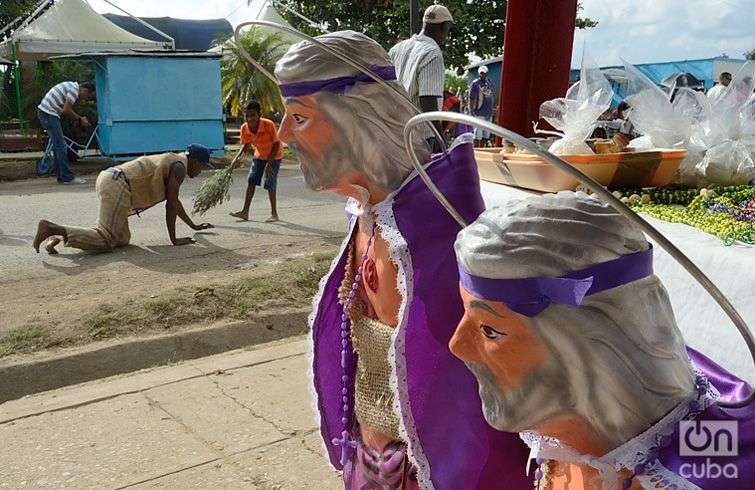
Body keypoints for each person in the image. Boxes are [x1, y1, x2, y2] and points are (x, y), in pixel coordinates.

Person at [275, 30, 529, 489]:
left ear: (357, 117)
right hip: (371, 454)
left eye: (298, 117)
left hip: (424, 467)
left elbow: (457, 388)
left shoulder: (436, 228)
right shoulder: (372, 213)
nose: (282, 134)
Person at [450, 192, 754, 489]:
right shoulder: (562, 442)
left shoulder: (698, 468)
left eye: (490, 330)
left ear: (584, 343)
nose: (457, 345)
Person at [32, 144, 214, 255]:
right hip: (118, 184)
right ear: (196, 161)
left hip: (112, 179)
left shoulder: (176, 161)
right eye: (202, 167)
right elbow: (172, 204)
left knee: (122, 239)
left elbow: (175, 203)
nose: (200, 172)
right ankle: (51, 228)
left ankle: (57, 234)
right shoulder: (179, 168)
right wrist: (174, 240)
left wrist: (193, 226)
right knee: (106, 239)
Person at [389, 4, 453, 149]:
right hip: (419, 137)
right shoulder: (432, 53)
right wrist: (441, 140)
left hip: (393, 131)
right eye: (448, 30)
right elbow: (428, 102)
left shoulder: (397, 49)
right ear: (443, 27)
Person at [229, 100, 282, 222]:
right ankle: (245, 212)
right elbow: (246, 146)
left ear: (259, 115)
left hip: (274, 155)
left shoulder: (268, 125)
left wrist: (270, 163)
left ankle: (274, 214)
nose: (249, 119)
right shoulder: (244, 128)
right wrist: (236, 159)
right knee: (252, 180)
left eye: (252, 115)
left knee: (270, 182)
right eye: (247, 116)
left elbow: (276, 143)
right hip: (259, 155)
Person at [37, 81, 96, 184]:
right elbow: (66, 110)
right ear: (85, 90)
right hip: (48, 114)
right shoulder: (74, 90)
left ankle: (61, 176)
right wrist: (80, 119)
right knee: (61, 146)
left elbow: (63, 109)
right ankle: (67, 177)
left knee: (57, 146)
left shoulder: (70, 86)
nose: (84, 99)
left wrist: (76, 119)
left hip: (46, 113)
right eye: (86, 96)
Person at [469, 65, 495, 147]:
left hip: (488, 112)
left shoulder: (489, 82)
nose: (482, 75)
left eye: (484, 73)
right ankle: (476, 152)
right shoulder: (475, 83)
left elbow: (490, 95)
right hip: (479, 112)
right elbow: (471, 98)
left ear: (487, 73)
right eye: (481, 73)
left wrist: (492, 110)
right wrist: (471, 110)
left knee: (485, 135)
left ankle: (482, 150)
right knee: (477, 135)